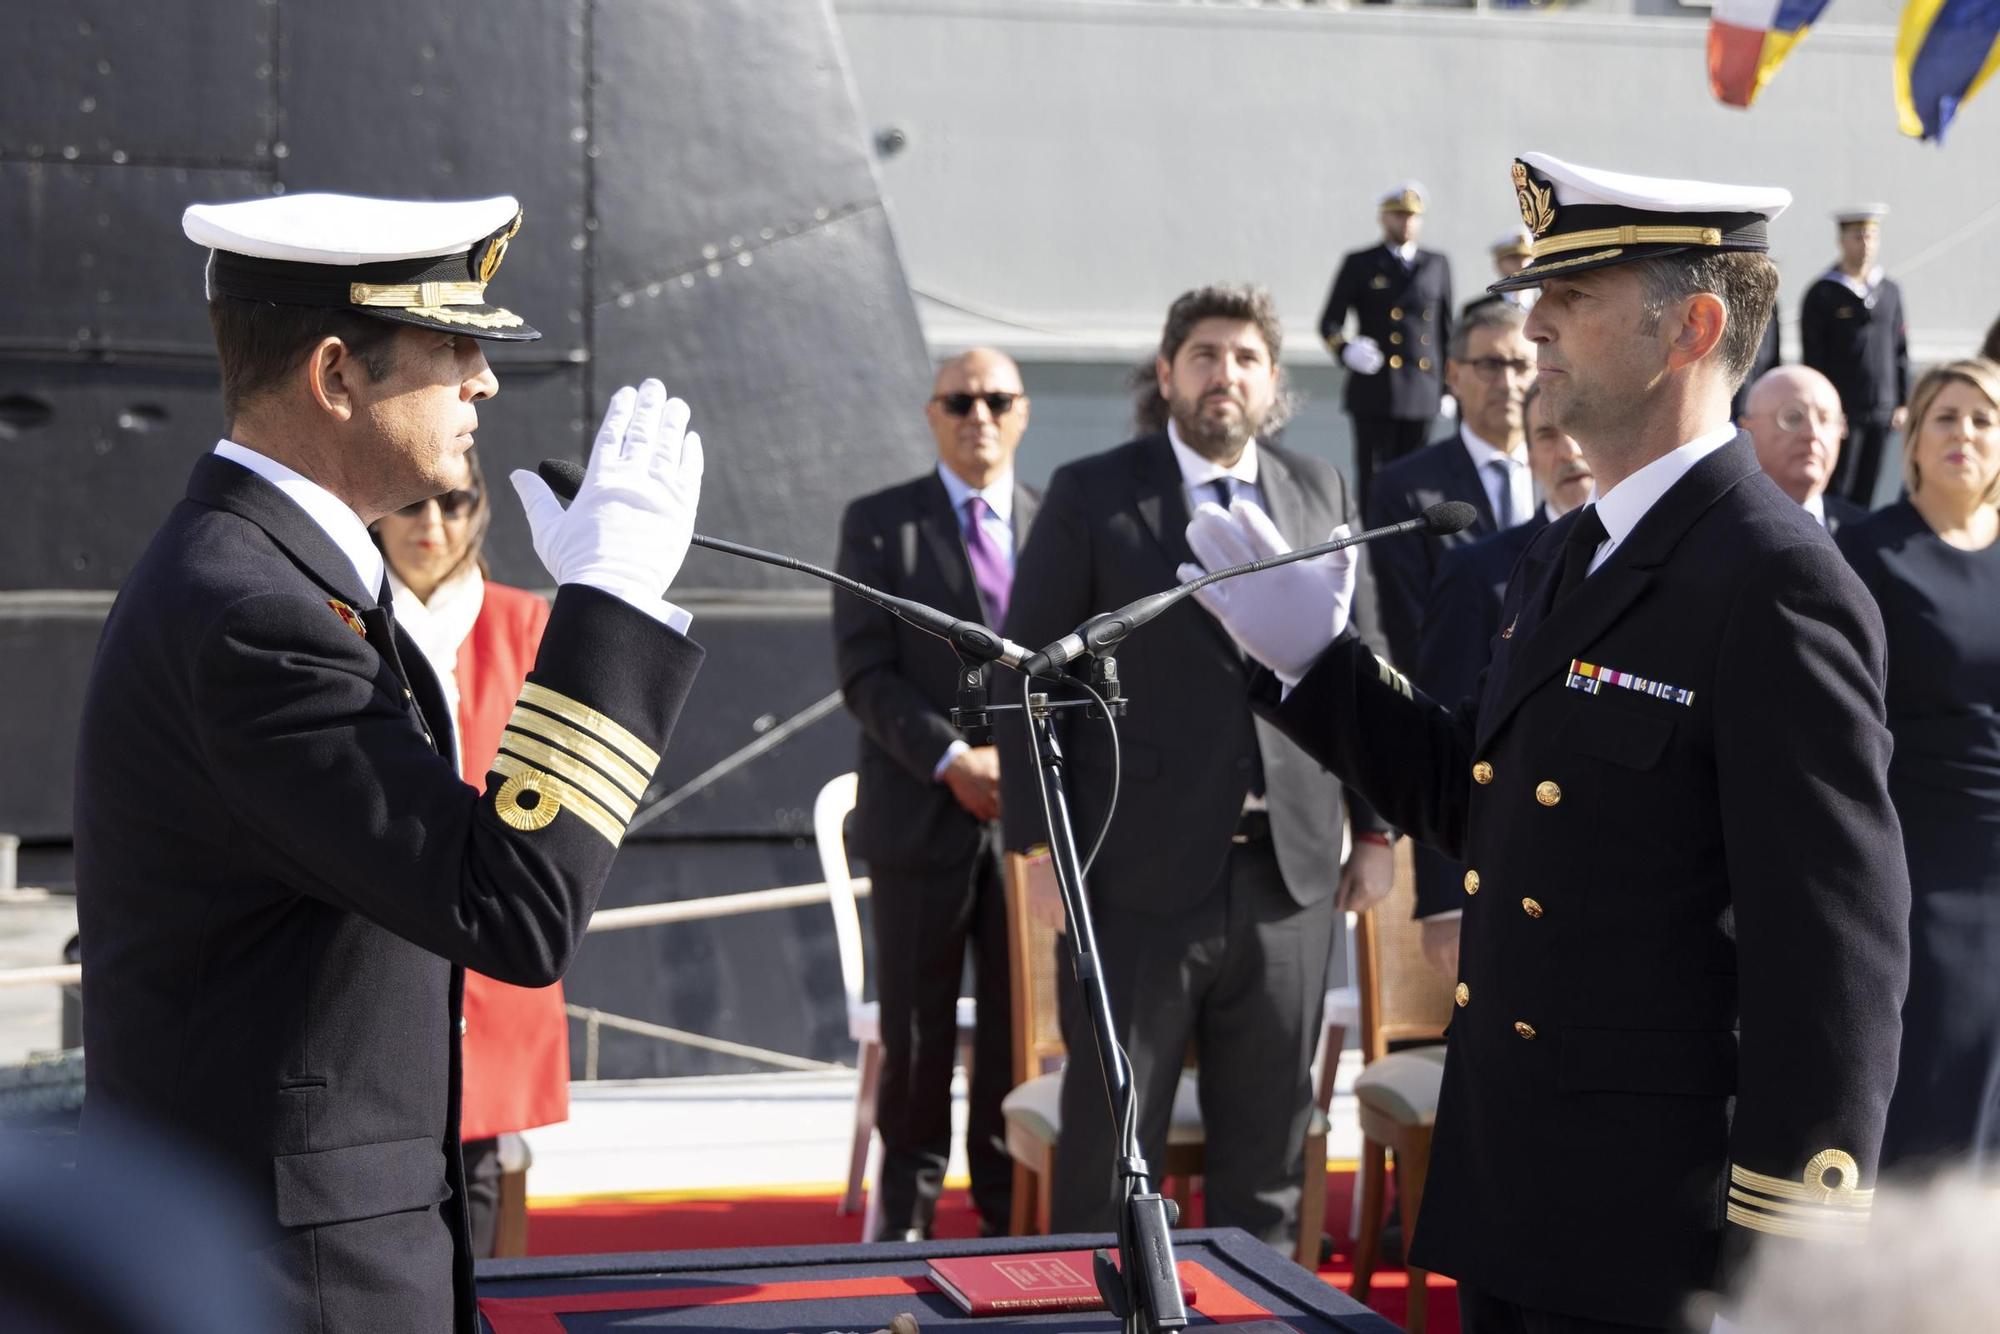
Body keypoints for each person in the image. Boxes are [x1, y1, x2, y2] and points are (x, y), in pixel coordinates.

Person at [1185, 154, 1908, 1331]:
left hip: (1659, 1230)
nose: (1532, 327)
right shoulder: (1567, 549)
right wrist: (1316, 672)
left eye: (1572, 299)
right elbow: (1486, 800)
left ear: (1694, 328)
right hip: (1519, 1189)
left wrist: (1789, 1260)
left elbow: (1833, 953)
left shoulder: (1774, 582)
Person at [74, 193, 707, 1332]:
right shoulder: (256, 614)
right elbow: (510, 906)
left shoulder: (268, 573)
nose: (484, 380)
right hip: (289, 1277)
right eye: (454, 344)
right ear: (335, 375)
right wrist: (608, 612)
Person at [1000, 285, 1391, 1251]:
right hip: (1134, 879)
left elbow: (1367, 665)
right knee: (1109, 1154)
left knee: (1267, 1162)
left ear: (1273, 383)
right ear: (1167, 374)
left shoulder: (1321, 491)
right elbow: (1028, 680)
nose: (1227, 374)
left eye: (1247, 358)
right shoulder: (1094, 494)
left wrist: (1376, 828)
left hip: (1290, 878)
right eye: (1206, 355)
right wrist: (1043, 850)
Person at [831, 348, 1040, 1240]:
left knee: (1014, 1032)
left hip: (1028, 827)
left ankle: (1003, 1216)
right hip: (921, 815)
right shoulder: (881, 526)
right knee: (916, 1039)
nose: (978, 414)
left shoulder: (1051, 524)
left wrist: (1021, 772)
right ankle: (906, 1217)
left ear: (1022, 412)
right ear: (932, 414)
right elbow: (865, 673)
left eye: (996, 399)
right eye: (960, 400)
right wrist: (954, 759)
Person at [373, 445, 568, 1259]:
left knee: (483, 1151)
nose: (432, 524)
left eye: (452, 504)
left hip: (490, 904)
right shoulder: (347, 614)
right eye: (414, 504)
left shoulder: (527, 623)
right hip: (382, 905)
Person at [1837, 357, 2000, 1172]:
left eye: (1981, 419)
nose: (1963, 434)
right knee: (1937, 1083)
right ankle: (1917, 1289)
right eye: (1946, 416)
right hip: (1927, 862)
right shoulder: (1870, 551)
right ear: (1913, 435)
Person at [1409, 379, 1591, 937]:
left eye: (1578, 431)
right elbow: (1446, 735)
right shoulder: (1482, 571)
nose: (1569, 451)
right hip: (1511, 880)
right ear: (1529, 455)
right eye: (1547, 436)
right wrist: (1445, 901)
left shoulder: (1664, 555)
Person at [1365, 301, 1537, 671]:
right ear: (1454, 376)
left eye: (1521, 366)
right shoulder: (1406, 489)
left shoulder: (1572, 474)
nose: (1507, 383)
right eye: (1490, 365)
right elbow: (1407, 628)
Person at [1319, 182, 1455, 507]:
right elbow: (1329, 323)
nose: (1406, 223)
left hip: (1422, 386)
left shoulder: (1437, 264)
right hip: (1376, 387)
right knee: (1373, 478)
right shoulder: (1360, 263)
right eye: (1398, 215)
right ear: (1383, 219)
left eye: (1412, 216)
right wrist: (1345, 349)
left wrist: (1449, 385)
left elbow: (1445, 330)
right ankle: (1371, 550)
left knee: (1417, 479)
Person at [1801, 204, 1911, 505]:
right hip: (1844, 411)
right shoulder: (1823, 293)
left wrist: (1902, 400)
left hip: (1882, 408)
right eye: (1857, 236)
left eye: (1871, 236)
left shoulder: (1889, 290)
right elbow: (1814, 359)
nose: (1865, 244)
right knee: (1838, 488)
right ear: (1842, 241)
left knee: (1869, 489)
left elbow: (1900, 349)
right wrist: (1828, 410)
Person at [1740, 364, 1867, 532]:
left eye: (1825, 419)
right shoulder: (1718, 531)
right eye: (1792, 418)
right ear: (1747, 429)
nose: (1812, 434)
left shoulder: (1870, 538)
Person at [1462, 230, 1537, 317]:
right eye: (1513, 258)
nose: (1522, 264)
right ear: (1498, 264)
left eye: (1528, 257)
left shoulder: (1548, 306)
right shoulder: (1477, 310)